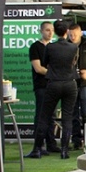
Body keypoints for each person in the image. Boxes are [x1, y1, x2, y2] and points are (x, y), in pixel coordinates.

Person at [30, 20, 79, 159]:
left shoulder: (50, 47)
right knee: (67, 117)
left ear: (56, 32)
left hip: (54, 83)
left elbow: (44, 63)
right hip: (70, 84)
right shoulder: (74, 47)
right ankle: (64, 150)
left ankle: (37, 149)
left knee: (44, 116)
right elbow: (74, 63)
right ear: (66, 32)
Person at [26, 21, 55, 158]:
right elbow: (38, 68)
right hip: (41, 86)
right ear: (41, 31)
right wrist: (53, 72)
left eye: (52, 30)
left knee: (51, 116)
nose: (50, 33)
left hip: (53, 86)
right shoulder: (35, 47)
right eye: (47, 30)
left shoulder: (54, 47)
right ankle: (38, 145)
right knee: (41, 116)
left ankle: (51, 144)